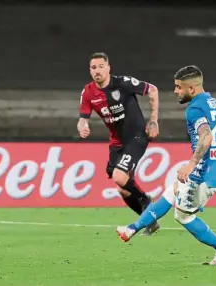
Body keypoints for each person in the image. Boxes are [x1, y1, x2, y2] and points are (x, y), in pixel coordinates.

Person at [116, 65, 216, 265]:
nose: (175, 91)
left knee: (183, 217)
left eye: (178, 87)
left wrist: (191, 165)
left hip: (205, 172)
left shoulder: (195, 108)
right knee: (172, 191)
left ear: (191, 89)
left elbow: (206, 136)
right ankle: (132, 228)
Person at [77, 52, 160, 235]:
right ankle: (149, 220)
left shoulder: (123, 83)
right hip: (116, 143)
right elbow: (83, 118)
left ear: (108, 68)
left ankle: (146, 200)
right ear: (90, 71)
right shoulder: (88, 92)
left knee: (119, 177)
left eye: (101, 66)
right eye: (93, 68)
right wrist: (82, 126)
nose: (97, 71)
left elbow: (152, 89)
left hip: (137, 136)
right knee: (122, 189)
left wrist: (153, 120)